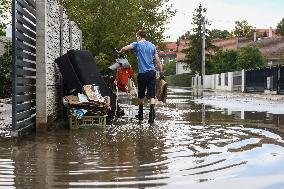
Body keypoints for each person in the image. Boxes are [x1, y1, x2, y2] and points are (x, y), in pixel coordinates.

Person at [119, 30, 163, 123]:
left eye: (136, 37)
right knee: (152, 96)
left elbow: (125, 48)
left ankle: (141, 115)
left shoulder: (137, 44)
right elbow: (158, 61)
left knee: (141, 95)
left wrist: (120, 51)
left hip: (142, 74)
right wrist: (161, 73)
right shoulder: (152, 46)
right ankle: (151, 116)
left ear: (139, 36)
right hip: (152, 73)